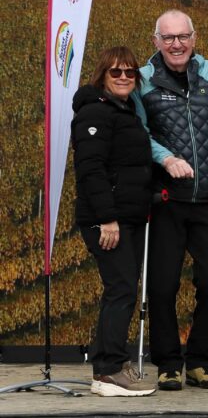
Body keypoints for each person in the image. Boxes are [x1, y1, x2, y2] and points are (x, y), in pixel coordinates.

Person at [135, 10, 208, 391]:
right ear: (155, 40)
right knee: (162, 285)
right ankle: (168, 364)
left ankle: (200, 361)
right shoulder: (141, 80)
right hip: (165, 200)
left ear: (194, 37)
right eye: (168, 38)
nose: (176, 44)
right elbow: (135, 133)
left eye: (183, 36)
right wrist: (165, 158)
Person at [72, 47, 155, 397]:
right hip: (109, 222)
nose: (124, 77)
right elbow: (90, 170)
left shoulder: (124, 112)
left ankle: (106, 369)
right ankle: (108, 373)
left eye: (130, 72)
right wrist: (108, 219)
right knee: (120, 290)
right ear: (102, 76)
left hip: (127, 219)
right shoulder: (94, 113)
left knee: (120, 291)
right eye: (115, 72)